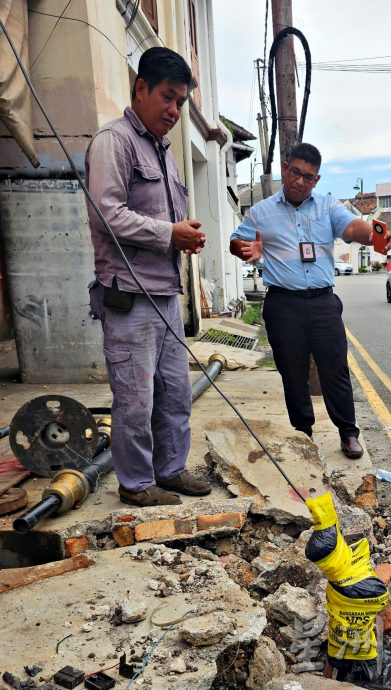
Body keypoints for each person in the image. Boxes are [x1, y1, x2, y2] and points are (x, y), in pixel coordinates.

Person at [85, 47, 211, 506]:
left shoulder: (163, 152)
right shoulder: (113, 142)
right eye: (168, 97)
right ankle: (136, 484)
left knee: (175, 393)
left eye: (180, 102)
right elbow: (106, 214)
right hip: (129, 298)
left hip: (165, 296)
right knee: (135, 401)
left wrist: (185, 234)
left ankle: (170, 471)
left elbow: (164, 218)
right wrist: (168, 233)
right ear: (140, 88)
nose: (174, 111)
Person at [230, 143, 391, 459]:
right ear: (285, 168)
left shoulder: (327, 207)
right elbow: (237, 240)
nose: (300, 182)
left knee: (336, 369)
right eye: (295, 173)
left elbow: (351, 226)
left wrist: (375, 237)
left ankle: (348, 432)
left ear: (316, 180)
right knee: (293, 373)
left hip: (323, 303)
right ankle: (303, 434)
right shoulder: (261, 212)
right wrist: (245, 249)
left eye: (308, 177)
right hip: (283, 304)